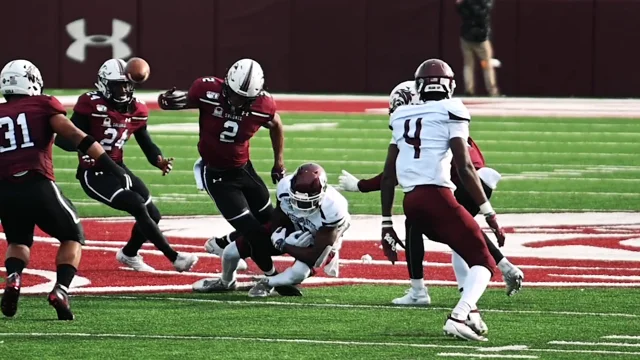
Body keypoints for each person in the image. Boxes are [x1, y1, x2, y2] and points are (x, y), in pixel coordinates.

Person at [339, 80, 523, 306]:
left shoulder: (430, 121)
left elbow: (396, 173)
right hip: (468, 181)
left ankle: (427, 294)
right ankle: (498, 273)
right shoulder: (439, 117)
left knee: (432, 225)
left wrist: (361, 186)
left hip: (462, 183)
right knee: (461, 230)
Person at [380, 59, 505, 341]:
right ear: (449, 85)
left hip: (411, 202)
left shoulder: (400, 116)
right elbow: (465, 166)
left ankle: (470, 312)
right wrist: (488, 212)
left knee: (464, 247)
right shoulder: (453, 108)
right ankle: (458, 316)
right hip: (438, 196)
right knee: (485, 263)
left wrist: (386, 223)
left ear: (420, 86)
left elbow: (388, 177)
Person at [0, 59, 132, 320]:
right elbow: (75, 136)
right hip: (37, 183)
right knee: (72, 236)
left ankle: (14, 278)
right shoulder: (43, 103)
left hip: (4, 189)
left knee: (18, 241)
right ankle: (60, 290)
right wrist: (114, 168)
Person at [157, 59, 298, 295]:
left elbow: (276, 125)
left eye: (245, 99)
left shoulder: (263, 104)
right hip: (218, 176)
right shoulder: (206, 89)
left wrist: (279, 161)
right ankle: (271, 277)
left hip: (244, 170)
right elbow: (176, 101)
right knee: (253, 232)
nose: (237, 102)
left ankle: (221, 244)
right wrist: (166, 100)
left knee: (273, 224)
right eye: (234, 95)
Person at [55, 59, 197, 273]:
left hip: (118, 167)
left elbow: (146, 143)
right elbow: (65, 140)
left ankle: (129, 254)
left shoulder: (137, 109)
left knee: (153, 214)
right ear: (104, 84)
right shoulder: (90, 103)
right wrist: (82, 143)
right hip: (93, 172)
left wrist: (158, 159)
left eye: (127, 85)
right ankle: (174, 257)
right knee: (137, 204)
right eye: (118, 85)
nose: (124, 90)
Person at [192, 163, 350, 297]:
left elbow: (314, 257)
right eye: (297, 200)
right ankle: (226, 281)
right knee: (230, 252)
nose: (301, 206)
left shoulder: (333, 209)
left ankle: (268, 283)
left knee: (298, 274)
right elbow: (278, 216)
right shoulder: (285, 187)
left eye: (307, 202)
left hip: (316, 240)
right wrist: (276, 233)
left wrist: (284, 245)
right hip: (291, 228)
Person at [456, 0, 500, 96]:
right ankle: (492, 90)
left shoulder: (465, 2)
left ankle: (469, 89)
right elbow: (483, 13)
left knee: (468, 65)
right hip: (481, 37)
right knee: (487, 64)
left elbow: (460, 10)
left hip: (466, 35)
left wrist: (462, 4)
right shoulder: (483, 2)